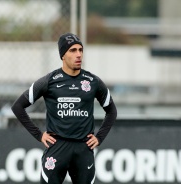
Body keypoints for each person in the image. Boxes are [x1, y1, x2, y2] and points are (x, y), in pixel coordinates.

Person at [11, 33, 117, 184]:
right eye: (73, 51)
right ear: (62, 55)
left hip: (83, 149)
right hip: (57, 147)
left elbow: (112, 111)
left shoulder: (93, 82)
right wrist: (39, 135)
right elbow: (18, 107)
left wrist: (99, 138)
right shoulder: (49, 81)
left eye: (80, 50)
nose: (78, 54)